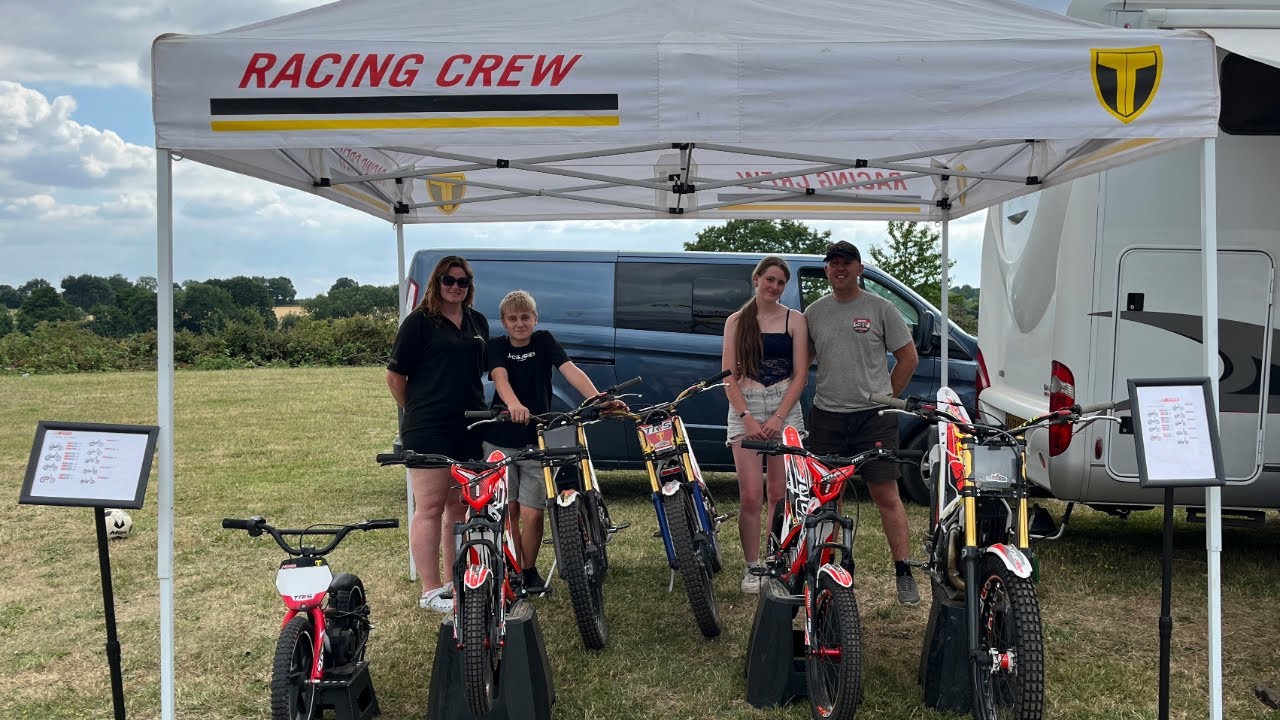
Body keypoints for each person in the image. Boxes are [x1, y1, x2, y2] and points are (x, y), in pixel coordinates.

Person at [804, 240, 921, 605]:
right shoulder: (813, 312)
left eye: (847, 263)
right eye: (833, 263)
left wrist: (885, 398)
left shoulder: (880, 308)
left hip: (874, 420)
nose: (840, 268)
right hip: (827, 417)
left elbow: (908, 358)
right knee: (826, 498)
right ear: (826, 270)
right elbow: (801, 362)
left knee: (885, 493)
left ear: (860, 268)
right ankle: (826, 565)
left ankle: (903, 570)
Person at [483, 290, 617, 592]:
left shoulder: (544, 340)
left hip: (536, 437)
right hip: (500, 438)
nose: (520, 324)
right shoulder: (496, 346)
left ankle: (528, 571)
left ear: (535, 318)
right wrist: (514, 405)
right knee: (510, 510)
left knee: (532, 512)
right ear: (504, 322)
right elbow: (500, 378)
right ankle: (511, 571)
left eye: (525, 317)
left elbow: (571, 371)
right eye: (513, 318)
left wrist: (598, 399)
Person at [386, 256, 489, 612]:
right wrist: (416, 411)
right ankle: (431, 591)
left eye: (463, 282)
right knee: (429, 507)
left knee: (459, 508)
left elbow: (482, 372)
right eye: (449, 280)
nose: (456, 287)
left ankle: (453, 581)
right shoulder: (419, 322)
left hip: (470, 425)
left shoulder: (478, 321)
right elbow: (395, 377)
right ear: (437, 282)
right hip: (428, 427)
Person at [721, 256, 809, 594]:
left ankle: (776, 560)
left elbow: (800, 373)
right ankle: (752, 567)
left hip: (784, 405)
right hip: (746, 406)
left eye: (780, 282)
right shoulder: (736, 321)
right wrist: (747, 417)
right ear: (756, 280)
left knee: (779, 492)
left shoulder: (795, 320)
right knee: (751, 495)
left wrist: (777, 418)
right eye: (769, 279)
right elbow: (729, 375)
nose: (774, 287)